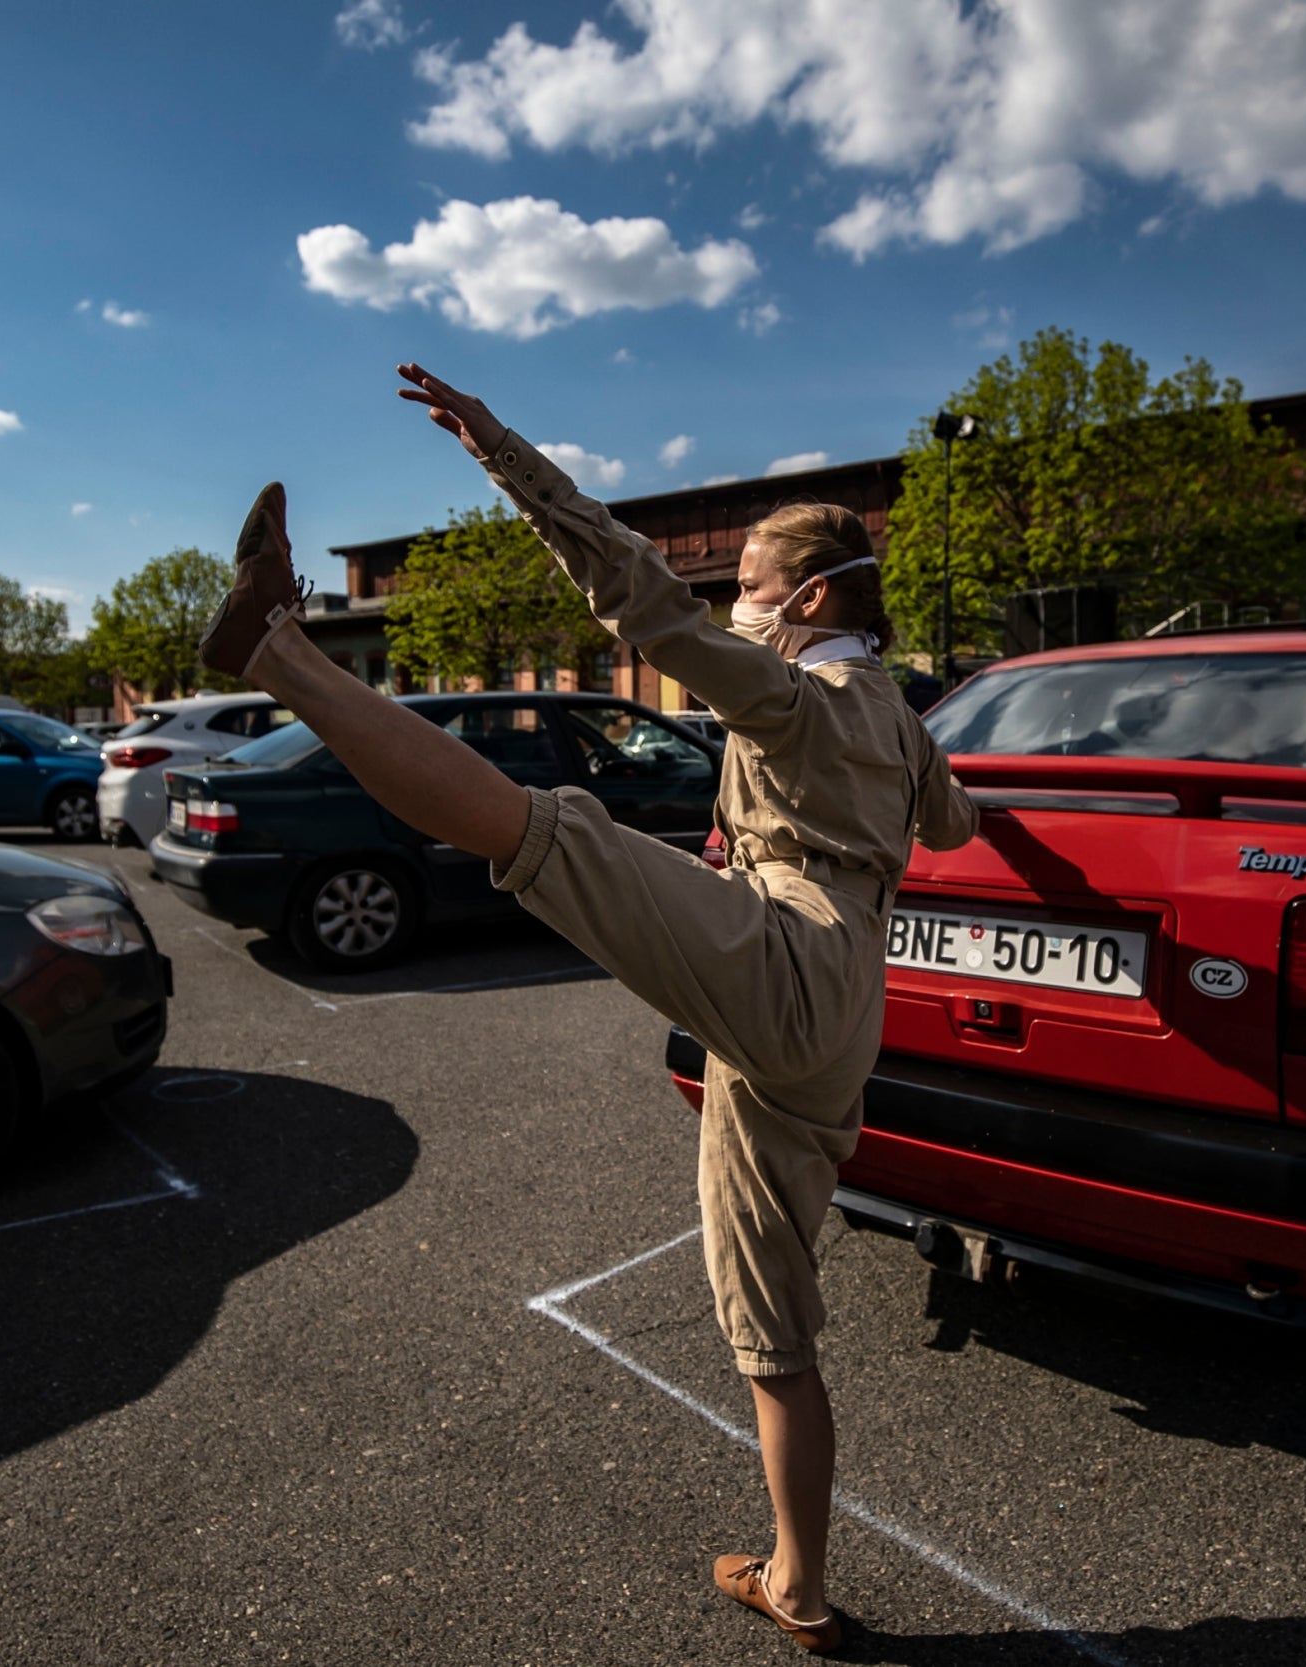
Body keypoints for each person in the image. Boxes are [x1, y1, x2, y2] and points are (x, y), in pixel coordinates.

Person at [197, 363, 979, 1654]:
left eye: (753, 589)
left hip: (786, 949)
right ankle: (801, 1586)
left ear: (815, 597)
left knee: (546, 832)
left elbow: (638, 592)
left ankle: (279, 650)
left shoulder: (796, 696)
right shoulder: (898, 711)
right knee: (772, 1323)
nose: (740, 609)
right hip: (845, 1012)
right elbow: (956, 819)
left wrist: (501, 450)